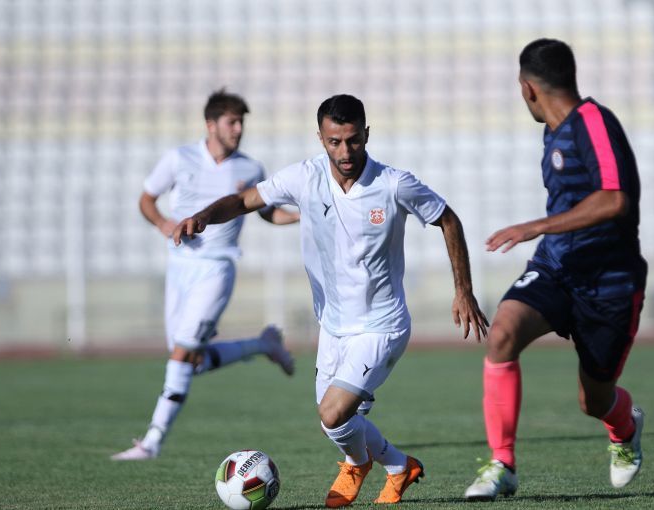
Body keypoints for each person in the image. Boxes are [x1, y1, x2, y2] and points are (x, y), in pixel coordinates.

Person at [173, 94, 490, 506]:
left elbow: (447, 218)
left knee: (333, 413)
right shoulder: (304, 177)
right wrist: (203, 216)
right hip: (333, 325)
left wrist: (463, 290)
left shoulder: (393, 183)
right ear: (320, 138)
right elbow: (245, 200)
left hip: (382, 325)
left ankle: (356, 465)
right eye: (334, 142)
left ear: (366, 135)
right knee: (334, 420)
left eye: (353, 140)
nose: (345, 152)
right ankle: (399, 466)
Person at [464, 38, 648, 500]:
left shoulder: (593, 122)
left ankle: (624, 428)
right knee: (502, 333)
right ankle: (502, 465)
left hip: (609, 283)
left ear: (527, 88)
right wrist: (546, 235)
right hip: (557, 267)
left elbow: (615, 199)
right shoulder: (553, 132)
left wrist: (536, 226)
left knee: (594, 400)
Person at [111, 89, 300, 461]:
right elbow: (146, 199)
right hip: (180, 267)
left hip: (218, 268)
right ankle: (263, 345)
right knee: (189, 362)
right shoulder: (179, 158)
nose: (238, 129)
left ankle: (152, 442)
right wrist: (163, 223)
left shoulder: (250, 168)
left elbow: (268, 213)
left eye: (241, 122)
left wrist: (303, 216)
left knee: (182, 353)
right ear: (210, 124)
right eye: (232, 121)